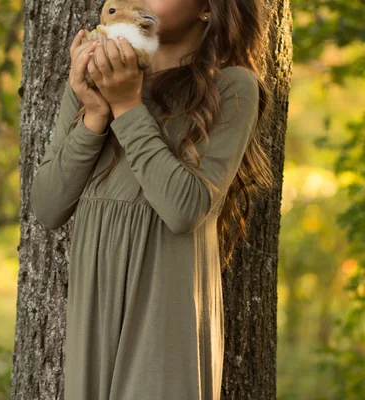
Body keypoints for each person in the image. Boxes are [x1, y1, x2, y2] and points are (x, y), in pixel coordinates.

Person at [30, 0, 275, 398]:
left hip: (164, 309)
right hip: (94, 310)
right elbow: (48, 206)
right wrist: (94, 115)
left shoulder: (231, 87)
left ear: (208, 9)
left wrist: (127, 105)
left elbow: (184, 209)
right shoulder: (95, 78)